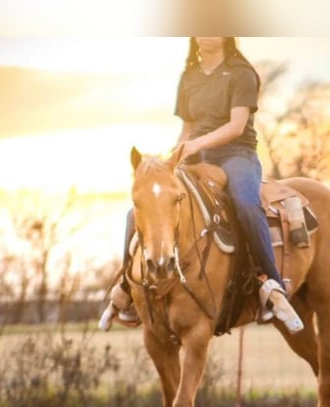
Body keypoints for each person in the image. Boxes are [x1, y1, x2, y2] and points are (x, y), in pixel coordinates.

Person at [99, 37, 303, 334]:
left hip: (237, 156)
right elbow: (187, 129)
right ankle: (128, 289)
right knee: (139, 211)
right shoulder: (189, 77)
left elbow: (236, 126)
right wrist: (174, 156)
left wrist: (195, 145)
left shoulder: (242, 73)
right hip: (195, 157)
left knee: (246, 204)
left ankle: (271, 287)